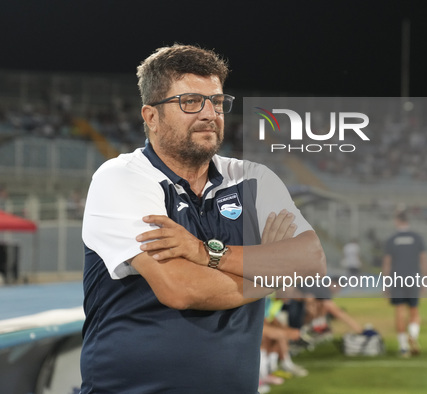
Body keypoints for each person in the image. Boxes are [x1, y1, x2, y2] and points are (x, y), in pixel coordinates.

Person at [80, 44, 325, 393]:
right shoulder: (122, 178)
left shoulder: (253, 178)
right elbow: (182, 288)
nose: (210, 113)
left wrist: (205, 254)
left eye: (217, 101)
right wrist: (274, 272)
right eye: (191, 102)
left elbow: (312, 261)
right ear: (151, 116)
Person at [382, 210, 427, 358]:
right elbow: (424, 259)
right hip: (413, 277)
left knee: (399, 311)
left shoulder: (392, 239)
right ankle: (413, 336)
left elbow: (387, 263)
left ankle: (403, 346)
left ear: (397, 221)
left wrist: (385, 283)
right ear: (408, 221)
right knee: (414, 310)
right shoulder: (417, 238)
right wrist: (425, 279)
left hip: (397, 278)